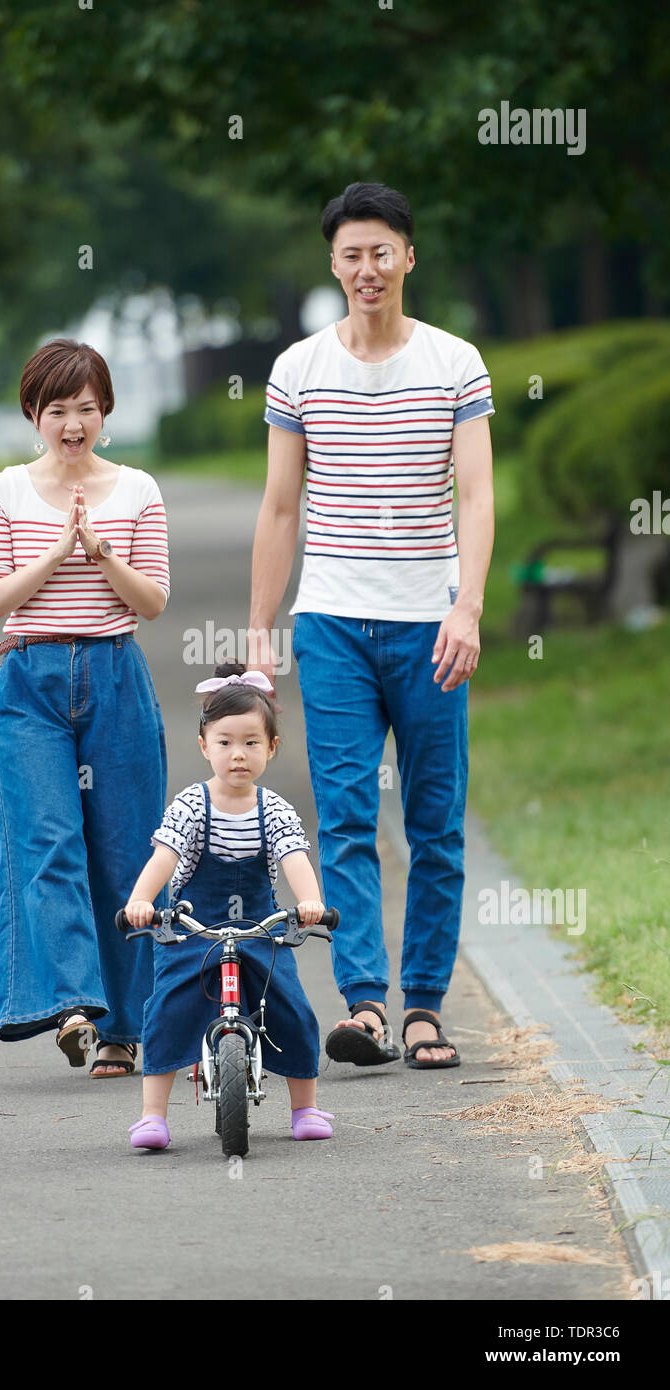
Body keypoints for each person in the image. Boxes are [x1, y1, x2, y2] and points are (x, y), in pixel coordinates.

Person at [248, 182, 495, 1070]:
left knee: (434, 823)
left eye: (381, 252)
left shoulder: (455, 364)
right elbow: (281, 508)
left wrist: (467, 605)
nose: (366, 269)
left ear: (408, 257)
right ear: (333, 263)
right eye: (351, 255)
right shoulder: (299, 369)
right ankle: (364, 1006)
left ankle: (424, 1005)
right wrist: (258, 630)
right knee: (347, 818)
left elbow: (476, 494)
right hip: (333, 626)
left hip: (430, 623)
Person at [0, 337, 169, 1077]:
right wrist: (57, 553)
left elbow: (151, 600)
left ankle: (124, 1031)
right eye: (57, 409)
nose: (73, 422)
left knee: (128, 854)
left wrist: (102, 553)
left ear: (106, 410)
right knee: (46, 842)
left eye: (86, 407)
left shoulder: (139, 489)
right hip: (31, 679)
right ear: (33, 414)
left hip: (117, 674)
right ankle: (74, 1006)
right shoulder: (5, 491)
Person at [122, 664, 334, 1149]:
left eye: (251, 743)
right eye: (225, 742)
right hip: (194, 928)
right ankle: (153, 1116)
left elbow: (294, 856)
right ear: (204, 745)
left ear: (271, 748)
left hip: (260, 928)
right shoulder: (192, 805)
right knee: (167, 1009)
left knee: (293, 1008)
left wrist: (310, 901)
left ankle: (306, 1106)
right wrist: (140, 901)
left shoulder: (274, 808)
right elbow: (166, 856)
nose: (238, 754)